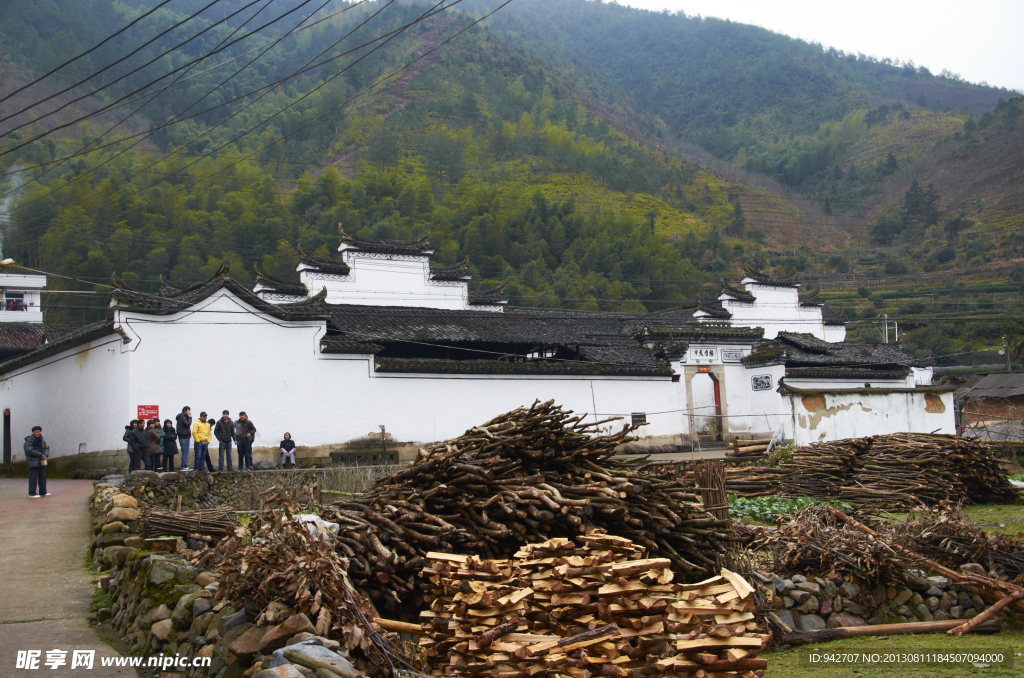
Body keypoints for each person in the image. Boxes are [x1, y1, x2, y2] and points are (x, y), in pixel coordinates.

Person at [24, 425, 49, 498]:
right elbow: (29, 450)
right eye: (36, 432)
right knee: (33, 478)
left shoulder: (42, 440)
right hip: (33, 462)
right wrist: (40, 455)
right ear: (33, 432)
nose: (37, 433)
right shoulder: (29, 440)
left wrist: (45, 455)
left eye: (38, 432)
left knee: (43, 477)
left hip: (42, 461)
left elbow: (46, 448)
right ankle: (32, 493)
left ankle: (43, 492)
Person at [175, 406, 193, 471]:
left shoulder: (181, 416)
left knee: (184, 451)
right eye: (189, 410)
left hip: (183, 436)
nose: (190, 412)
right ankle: (184, 466)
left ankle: (184, 466)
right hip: (184, 436)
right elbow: (187, 424)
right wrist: (190, 418)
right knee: (185, 452)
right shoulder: (183, 416)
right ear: (185, 410)